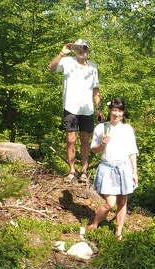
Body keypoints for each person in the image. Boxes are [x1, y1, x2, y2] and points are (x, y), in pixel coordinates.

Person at [48, 39, 102, 182]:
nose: (81, 51)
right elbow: (51, 68)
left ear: (88, 50)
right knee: (70, 139)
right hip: (70, 107)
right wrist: (62, 53)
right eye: (78, 48)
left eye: (84, 48)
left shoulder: (93, 67)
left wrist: (98, 109)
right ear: (74, 49)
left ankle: (84, 171)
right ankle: (71, 171)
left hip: (87, 109)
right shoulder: (67, 62)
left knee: (85, 140)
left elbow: (96, 90)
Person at [87, 98, 138, 240]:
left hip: (124, 168)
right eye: (114, 110)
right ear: (110, 111)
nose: (117, 114)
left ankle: (118, 232)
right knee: (110, 203)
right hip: (107, 168)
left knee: (122, 202)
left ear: (123, 113)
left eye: (120, 111)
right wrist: (103, 143)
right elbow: (94, 150)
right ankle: (94, 224)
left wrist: (134, 171)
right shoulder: (101, 128)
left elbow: (132, 151)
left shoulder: (127, 129)